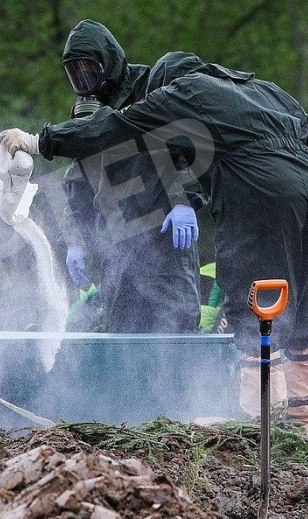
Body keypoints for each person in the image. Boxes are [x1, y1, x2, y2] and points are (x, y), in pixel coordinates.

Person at [0, 51, 308, 432]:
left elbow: (114, 127)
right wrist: (299, 189)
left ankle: (261, 424)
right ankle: (306, 425)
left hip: (259, 194)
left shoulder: (183, 92)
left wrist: (38, 140)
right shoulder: (264, 90)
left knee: (256, 302)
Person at [58, 20, 203, 333]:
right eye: (75, 74)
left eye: (90, 70)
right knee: (123, 340)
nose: (85, 81)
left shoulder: (151, 86)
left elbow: (186, 145)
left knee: (175, 332)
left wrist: (185, 201)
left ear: (107, 62)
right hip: (117, 248)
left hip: (165, 238)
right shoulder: (86, 113)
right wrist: (76, 240)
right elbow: (77, 181)